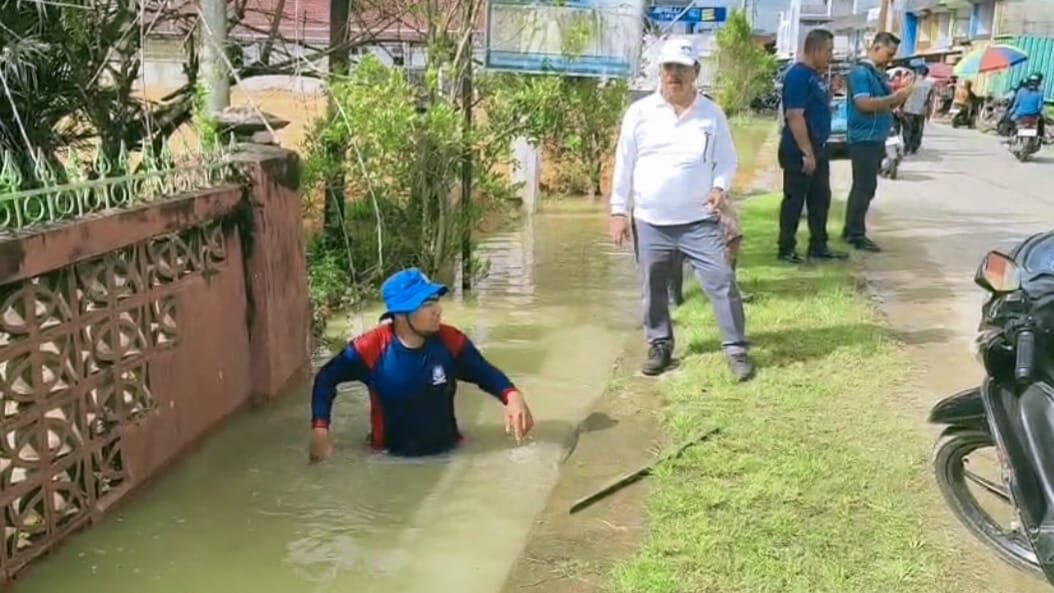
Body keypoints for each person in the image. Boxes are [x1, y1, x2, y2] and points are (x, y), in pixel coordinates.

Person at [608, 39, 753, 381]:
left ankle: (735, 349)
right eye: (668, 68)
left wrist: (720, 187)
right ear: (660, 72)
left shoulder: (711, 114)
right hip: (650, 221)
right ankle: (660, 345)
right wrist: (618, 211)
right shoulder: (639, 113)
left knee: (721, 281)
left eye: (681, 68)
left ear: (696, 72)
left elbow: (726, 160)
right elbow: (623, 164)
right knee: (653, 287)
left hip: (698, 221)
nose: (673, 75)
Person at [307, 268, 535, 461]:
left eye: (436, 301)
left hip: (450, 454)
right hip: (388, 462)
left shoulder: (451, 341)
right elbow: (326, 378)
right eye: (427, 304)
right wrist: (320, 428)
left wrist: (512, 396)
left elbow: (485, 373)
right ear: (400, 314)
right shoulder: (371, 348)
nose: (438, 310)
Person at [777, 28, 847, 264]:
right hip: (799, 148)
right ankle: (786, 248)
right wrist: (807, 152)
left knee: (820, 199)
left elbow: (815, 106)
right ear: (815, 49)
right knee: (795, 200)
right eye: (828, 50)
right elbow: (795, 116)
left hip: (818, 146)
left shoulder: (815, 76)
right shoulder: (797, 75)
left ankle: (818, 245)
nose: (831, 55)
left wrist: (831, 92)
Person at [842, 32, 914, 253]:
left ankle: (852, 229)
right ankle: (855, 234)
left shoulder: (878, 75)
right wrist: (897, 96)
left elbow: (887, 105)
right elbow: (864, 103)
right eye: (888, 53)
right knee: (863, 186)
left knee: (867, 187)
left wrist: (902, 95)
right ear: (876, 48)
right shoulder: (860, 73)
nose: (890, 59)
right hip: (863, 138)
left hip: (876, 137)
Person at [901, 64, 935, 154]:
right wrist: (929, 112)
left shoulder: (910, 81)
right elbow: (931, 100)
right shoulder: (930, 84)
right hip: (921, 110)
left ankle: (906, 146)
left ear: (916, 72)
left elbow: (903, 95)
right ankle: (914, 147)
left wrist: (900, 106)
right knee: (918, 130)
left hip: (908, 108)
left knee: (907, 128)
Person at [1010, 73, 1046, 137]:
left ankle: (1013, 134)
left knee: (1011, 120)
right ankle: (1041, 137)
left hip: (1020, 114)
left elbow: (1016, 104)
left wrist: (1011, 111)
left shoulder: (1021, 91)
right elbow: (1039, 107)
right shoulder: (1040, 93)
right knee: (1041, 122)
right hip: (1033, 115)